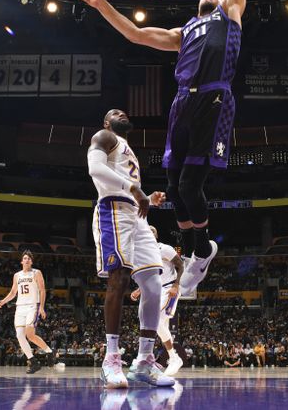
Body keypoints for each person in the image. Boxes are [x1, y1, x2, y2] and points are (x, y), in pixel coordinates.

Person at [72, 0, 259, 299]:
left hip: (213, 98)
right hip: (182, 103)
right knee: (174, 188)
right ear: (196, 8)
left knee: (191, 186)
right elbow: (136, 34)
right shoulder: (182, 33)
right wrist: (102, 5)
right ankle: (197, 253)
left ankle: (202, 254)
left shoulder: (230, 12)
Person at [87, 109, 174, 388]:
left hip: (137, 215)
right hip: (113, 209)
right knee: (120, 278)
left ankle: (144, 362)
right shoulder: (103, 137)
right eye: (114, 112)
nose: (121, 113)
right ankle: (111, 359)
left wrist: (147, 197)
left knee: (152, 286)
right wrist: (134, 189)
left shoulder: (129, 149)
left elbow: (130, 187)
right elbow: (95, 169)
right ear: (106, 121)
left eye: (123, 112)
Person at [130, 225, 185, 376]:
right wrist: (140, 289)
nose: (149, 232)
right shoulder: (144, 255)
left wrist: (176, 285)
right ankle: (157, 359)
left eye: (152, 230)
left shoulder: (164, 249)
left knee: (156, 321)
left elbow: (181, 265)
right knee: (157, 326)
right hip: (154, 291)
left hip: (169, 289)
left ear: (156, 235)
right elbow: (151, 276)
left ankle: (174, 358)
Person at [0, 250, 52, 374]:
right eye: (25, 258)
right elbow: (13, 293)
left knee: (29, 333)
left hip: (33, 306)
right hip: (20, 307)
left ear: (31, 262)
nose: (27, 260)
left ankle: (49, 351)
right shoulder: (17, 275)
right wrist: (3, 301)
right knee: (20, 335)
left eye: (29, 258)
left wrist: (42, 307)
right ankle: (34, 362)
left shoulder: (36, 273)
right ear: (22, 261)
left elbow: (43, 290)